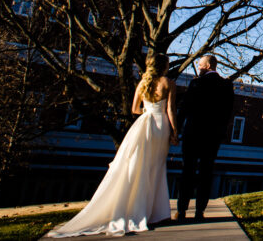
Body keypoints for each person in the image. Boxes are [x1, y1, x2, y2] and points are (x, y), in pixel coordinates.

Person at [47, 53, 178, 237]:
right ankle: (155, 212)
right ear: (163, 65)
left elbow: (134, 109)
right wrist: (175, 132)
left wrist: (147, 111)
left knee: (137, 166)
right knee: (156, 167)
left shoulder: (143, 83)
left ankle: (136, 209)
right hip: (160, 125)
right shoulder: (168, 83)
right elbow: (170, 110)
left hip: (144, 124)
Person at [175, 54, 234, 223]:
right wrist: (220, 132)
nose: (198, 67)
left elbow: (185, 108)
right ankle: (200, 210)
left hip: (192, 133)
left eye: (200, 65)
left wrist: (176, 130)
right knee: (206, 172)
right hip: (212, 136)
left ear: (208, 66)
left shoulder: (196, 83)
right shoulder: (226, 85)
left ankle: (181, 210)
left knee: (188, 171)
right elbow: (227, 113)